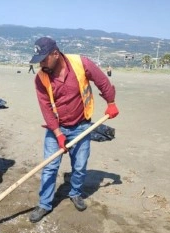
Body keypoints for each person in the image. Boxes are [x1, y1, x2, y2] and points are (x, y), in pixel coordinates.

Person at [28, 37, 119, 223]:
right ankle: (44, 204)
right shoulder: (41, 78)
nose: (42, 64)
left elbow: (102, 81)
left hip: (81, 125)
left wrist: (111, 102)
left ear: (55, 53)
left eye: (44, 59)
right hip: (57, 127)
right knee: (50, 167)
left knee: (79, 165)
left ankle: (75, 193)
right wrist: (58, 133)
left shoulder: (80, 63)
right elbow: (45, 108)